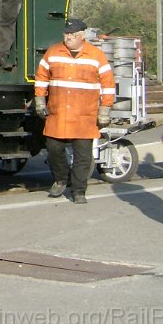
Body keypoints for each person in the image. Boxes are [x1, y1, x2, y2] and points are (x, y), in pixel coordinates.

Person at [34, 18, 115, 204]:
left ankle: (79, 191)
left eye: (73, 34)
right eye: (66, 34)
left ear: (82, 35)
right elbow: (41, 77)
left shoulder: (96, 56)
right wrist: (40, 100)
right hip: (58, 114)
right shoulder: (53, 52)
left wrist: (105, 110)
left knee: (83, 157)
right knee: (53, 149)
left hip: (84, 116)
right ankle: (61, 179)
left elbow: (108, 85)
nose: (68, 37)